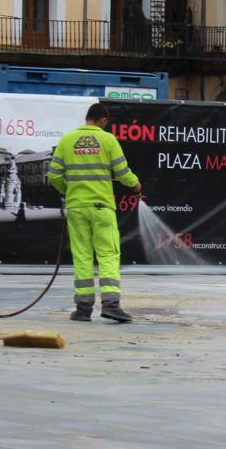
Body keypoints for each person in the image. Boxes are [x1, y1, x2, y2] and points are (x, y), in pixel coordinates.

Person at [49, 102, 142, 324]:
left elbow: (53, 175)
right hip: (101, 208)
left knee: (82, 256)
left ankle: (83, 309)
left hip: (76, 208)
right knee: (108, 254)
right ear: (103, 121)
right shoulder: (108, 140)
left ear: (87, 118)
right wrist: (136, 185)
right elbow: (121, 172)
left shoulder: (67, 140)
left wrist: (69, 191)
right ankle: (111, 305)